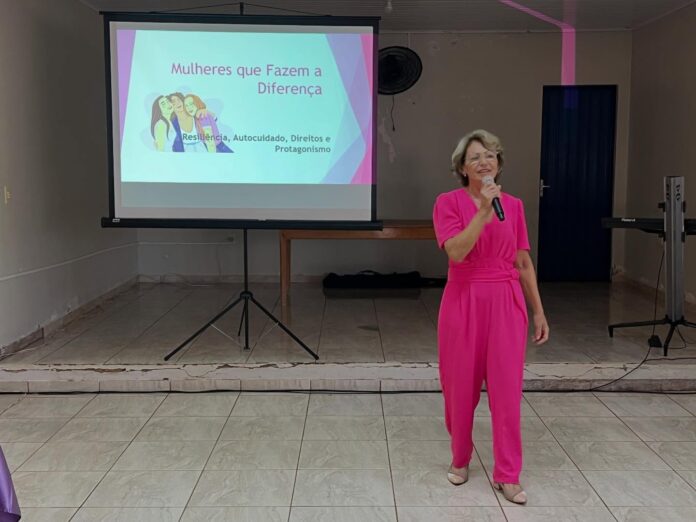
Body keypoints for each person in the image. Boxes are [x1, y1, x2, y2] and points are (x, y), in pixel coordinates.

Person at [432, 129, 549, 504]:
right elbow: (456, 252)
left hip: (506, 301)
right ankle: (460, 457)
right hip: (463, 299)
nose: (484, 162)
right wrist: (483, 211)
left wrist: (538, 310)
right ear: (462, 168)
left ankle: (508, 473)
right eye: (475, 157)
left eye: (490, 156)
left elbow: (523, 261)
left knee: (507, 391)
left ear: (498, 164)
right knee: (459, 386)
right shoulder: (448, 203)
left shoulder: (512, 206)